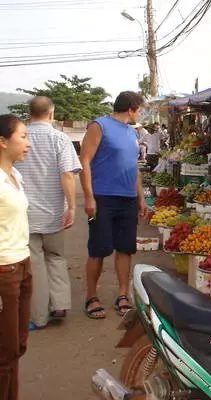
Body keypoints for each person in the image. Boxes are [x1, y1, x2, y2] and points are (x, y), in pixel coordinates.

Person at [80, 91, 148, 320]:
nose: (141, 113)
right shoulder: (99, 126)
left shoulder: (132, 132)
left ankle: (122, 295)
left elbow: (134, 167)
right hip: (103, 198)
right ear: (131, 108)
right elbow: (85, 161)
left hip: (127, 199)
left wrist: (140, 198)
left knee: (125, 248)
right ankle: (91, 296)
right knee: (98, 250)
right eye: (140, 109)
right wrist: (89, 197)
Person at [15, 97, 81, 330]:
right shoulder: (60, 138)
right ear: (51, 114)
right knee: (55, 256)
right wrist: (72, 207)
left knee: (36, 264)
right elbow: (67, 175)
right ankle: (60, 304)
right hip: (54, 212)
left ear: (29, 114)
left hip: (25, 214)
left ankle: (39, 317)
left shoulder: (19, 139)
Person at [0, 114, 31, 400]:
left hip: (23, 264)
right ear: (2, 141)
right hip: (4, 271)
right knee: (5, 352)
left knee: (18, 345)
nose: (28, 144)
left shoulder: (15, 175)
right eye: (22, 137)